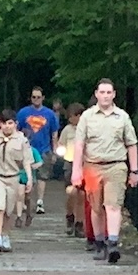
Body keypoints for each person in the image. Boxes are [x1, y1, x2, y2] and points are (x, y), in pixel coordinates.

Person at [69, 79, 138, 264]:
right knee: (96, 207)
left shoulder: (122, 117)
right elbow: (79, 145)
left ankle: (113, 243)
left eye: (109, 92)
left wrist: (134, 171)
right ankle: (99, 242)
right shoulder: (87, 116)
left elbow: (131, 144)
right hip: (92, 166)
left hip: (116, 165)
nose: (106, 96)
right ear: (97, 94)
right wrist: (76, 170)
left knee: (113, 205)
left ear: (114, 94)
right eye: (102, 92)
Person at [0, 112, 36, 253]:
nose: (7, 126)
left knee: (9, 210)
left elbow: (26, 161)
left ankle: (5, 235)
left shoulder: (21, 140)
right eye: (4, 123)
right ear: (0, 124)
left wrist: (29, 178)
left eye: (10, 123)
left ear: (15, 124)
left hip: (13, 176)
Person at [14, 88, 60, 211]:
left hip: (44, 149)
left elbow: (54, 133)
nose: (36, 99)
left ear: (43, 98)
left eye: (38, 97)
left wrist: (54, 150)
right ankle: (25, 201)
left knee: (42, 176)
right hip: (26, 149)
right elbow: (16, 130)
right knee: (25, 176)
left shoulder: (50, 114)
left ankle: (40, 201)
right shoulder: (23, 113)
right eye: (33, 97)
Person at [57, 100, 86, 243]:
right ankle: (70, 216)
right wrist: (61, 151)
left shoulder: (87, 129)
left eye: (75, 116)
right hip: (70, 162)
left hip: (84, 163)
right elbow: (61, 144)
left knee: (82, 194)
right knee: (71, 192)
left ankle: (79, 223)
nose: (72, 119)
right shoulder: (67, 130)